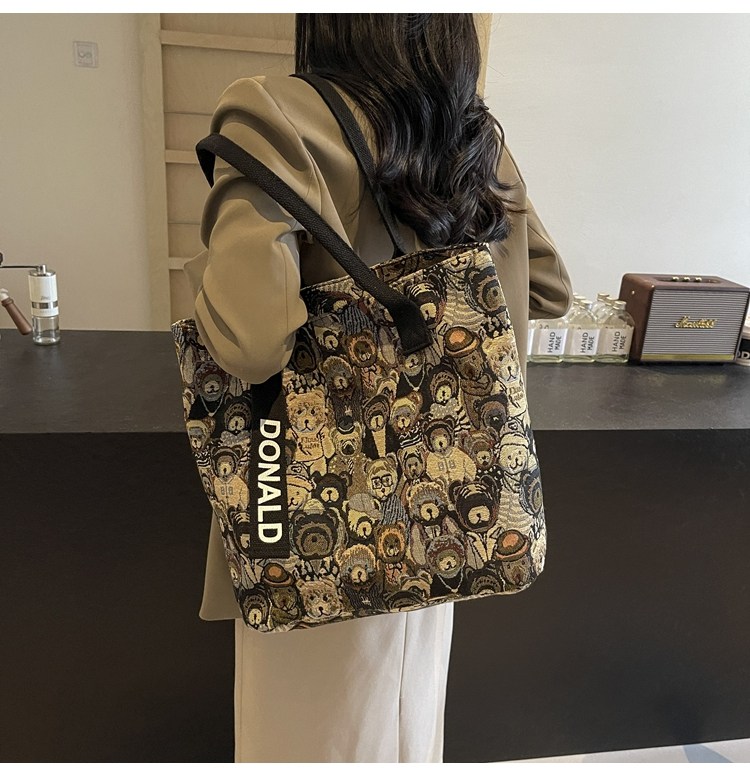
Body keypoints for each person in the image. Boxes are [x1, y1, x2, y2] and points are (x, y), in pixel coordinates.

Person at [182, 13, 573, 764]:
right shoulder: (473, 136)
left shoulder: (271, 111)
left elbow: (251, 343)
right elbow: (551, 288)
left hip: (316, 521)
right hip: (448, 516)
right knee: (404, 730)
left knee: (309, 742)